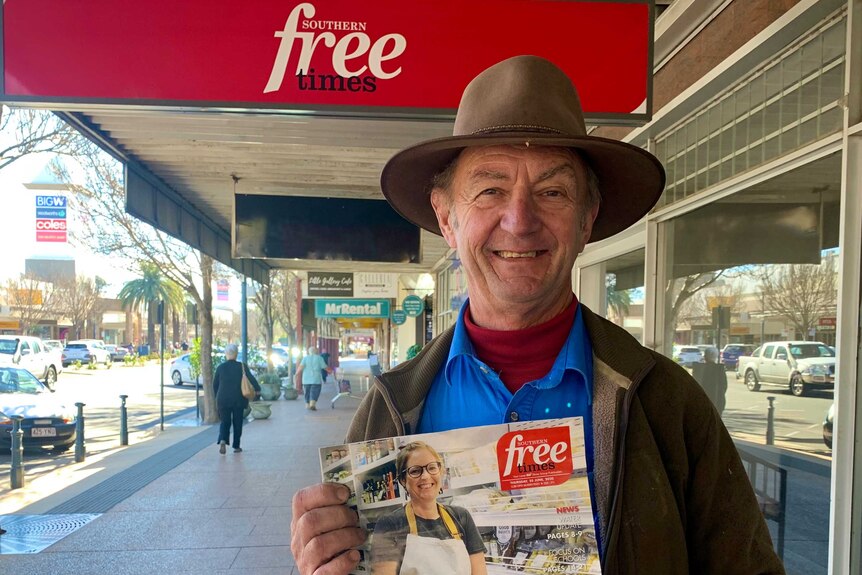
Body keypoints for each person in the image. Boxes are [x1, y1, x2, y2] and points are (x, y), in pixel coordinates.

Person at [290, 55, 785, 574]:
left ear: (587, 218)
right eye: (490, 190)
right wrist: (327, 558)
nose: (520, 220)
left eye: (552, 192)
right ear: (446, 217)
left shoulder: (667, 404)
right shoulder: (389, 409)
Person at [371, 441, 486, 575]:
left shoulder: (461, 517)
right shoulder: (389, 524)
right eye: (415, 471)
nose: (425, 476)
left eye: (432, 468)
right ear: (403, 480)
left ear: (441, 471)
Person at [213, 343, 260, 454]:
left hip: (223, 399)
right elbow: (251, 379)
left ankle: (223, 440)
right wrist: (258, 389)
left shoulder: (220, 368)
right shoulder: (241, 366)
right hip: (238, 399)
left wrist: (217, 397)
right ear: (236, 354)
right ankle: (236, 446)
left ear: (226, 354)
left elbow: (215, 385)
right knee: (237, 422)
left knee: (225, 421)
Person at [693, 347, 728, 414]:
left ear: (705, 356)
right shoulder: (719, 370)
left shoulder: (700, 369)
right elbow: (724, 386)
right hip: (717, 403)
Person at [297, 346, 331, 411]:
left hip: (306, 379)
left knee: (307, 392)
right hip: (316, 379)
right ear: (316, 351)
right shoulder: (319, 358)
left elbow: (301, 367)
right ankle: (312, 403)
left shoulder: (305, 358)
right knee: (315, 391)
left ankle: (307, 403)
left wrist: (296, 374)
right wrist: (331, 371)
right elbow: (325, 367)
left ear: (309, 352)